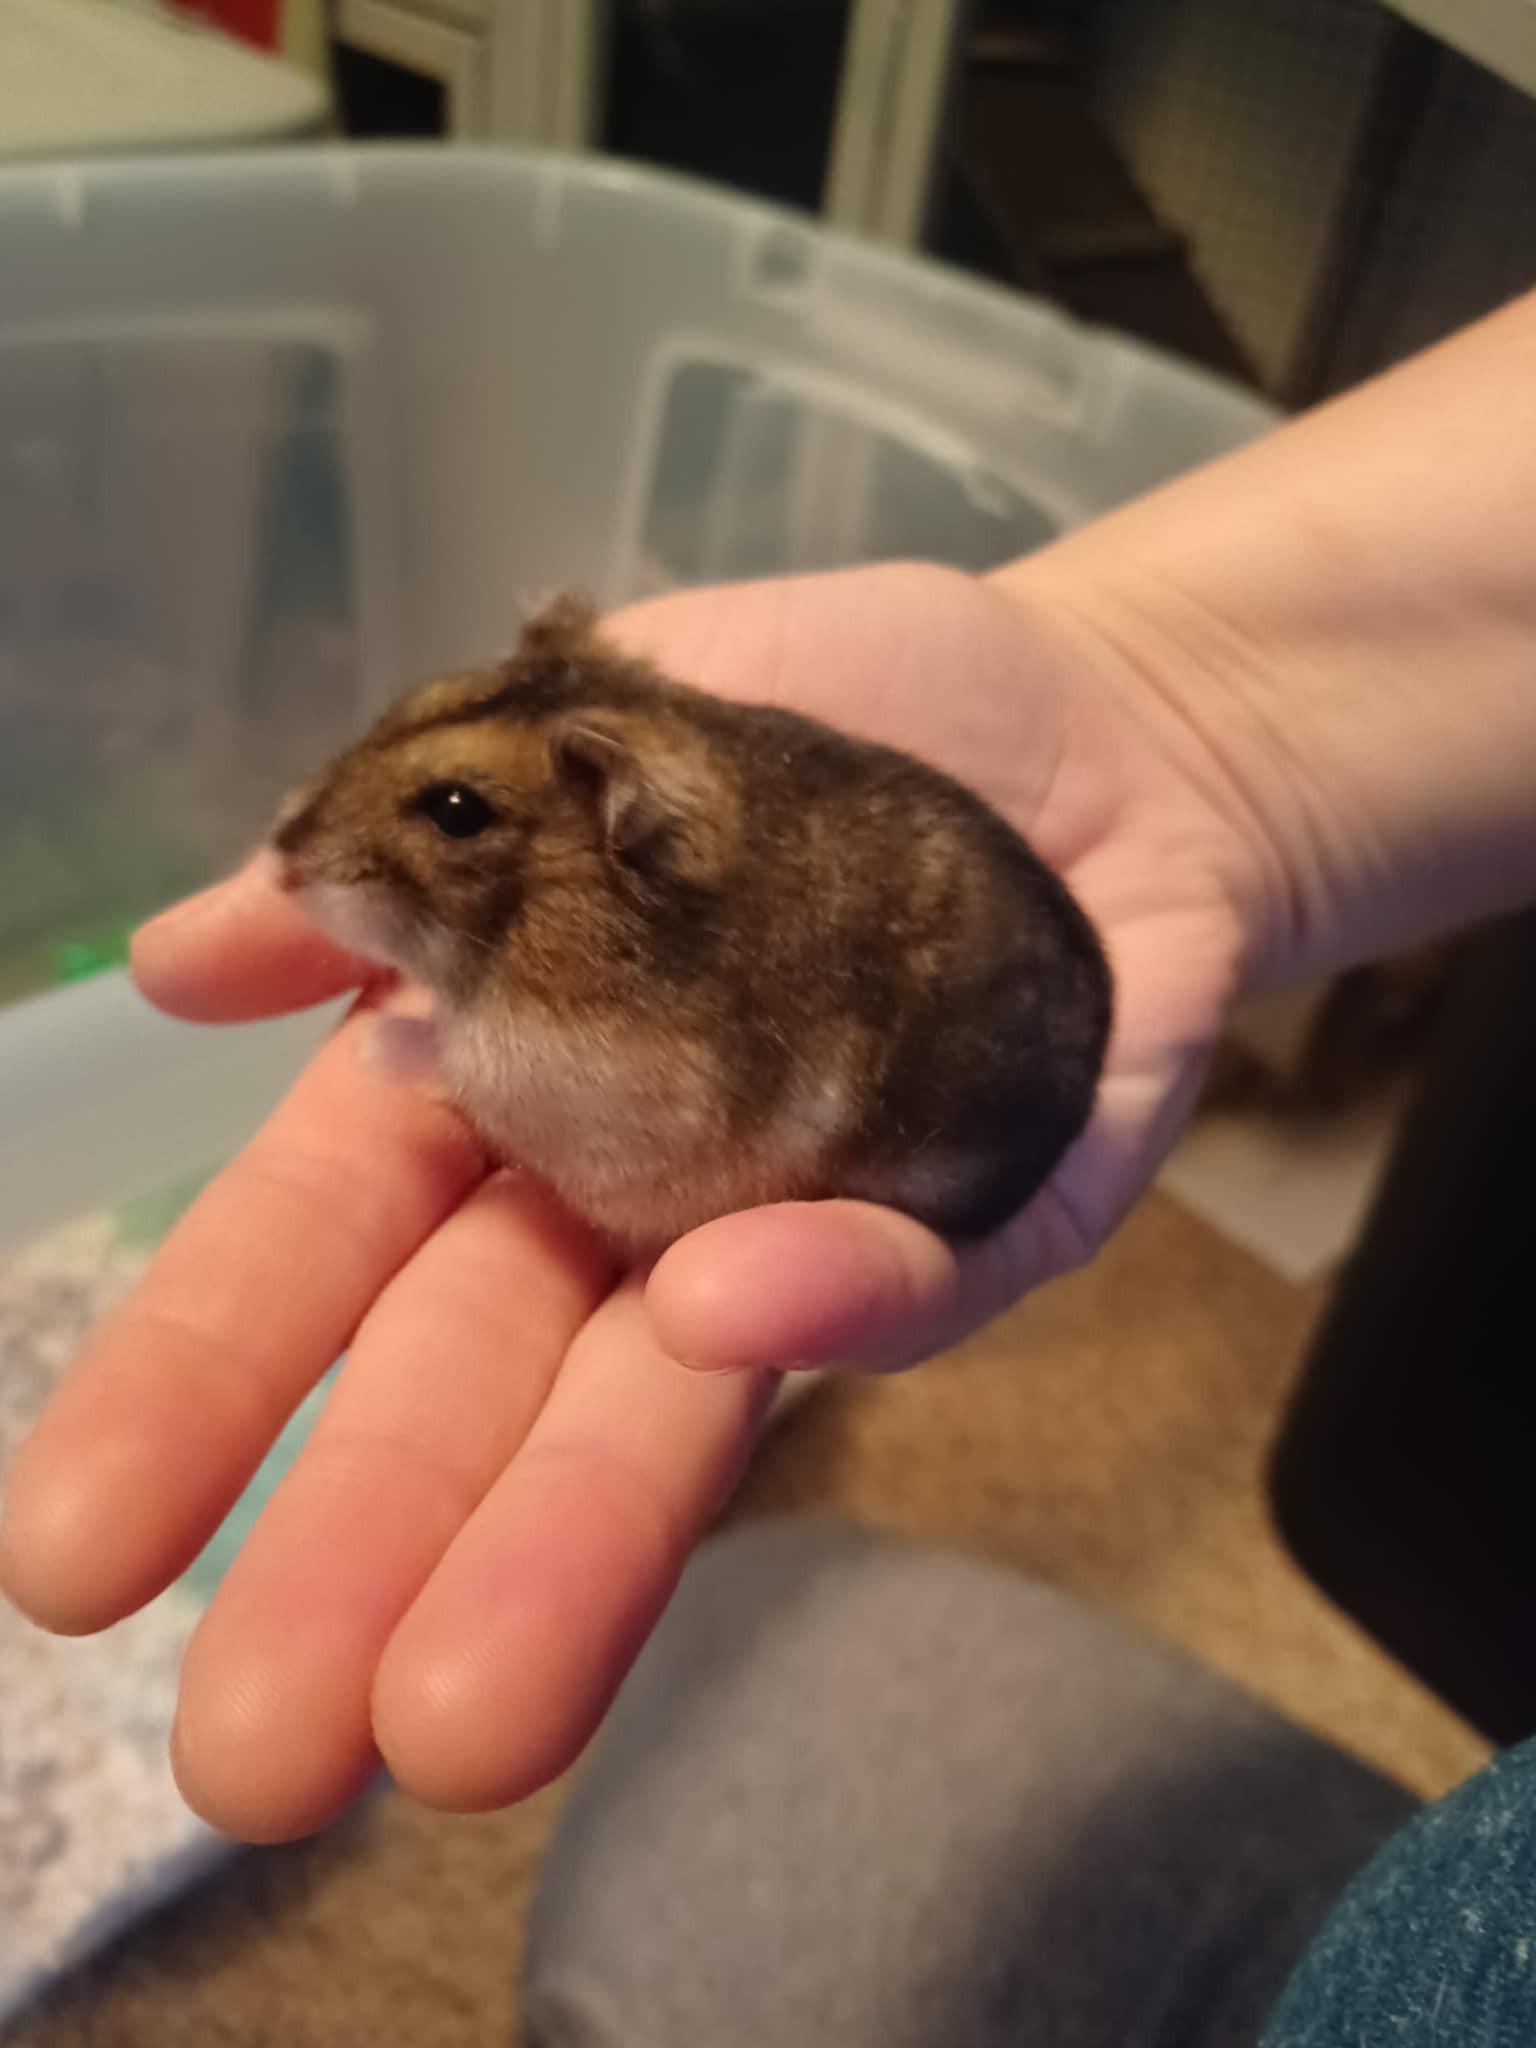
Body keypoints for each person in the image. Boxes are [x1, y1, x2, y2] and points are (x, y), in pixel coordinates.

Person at [3, 281, 1536, 2042]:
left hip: (947, 1098)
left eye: (455, 818)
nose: (317, 844)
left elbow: (654, 1137)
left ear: (633, 837)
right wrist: (1160, 686)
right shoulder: (608, 875)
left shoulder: (640, 996)